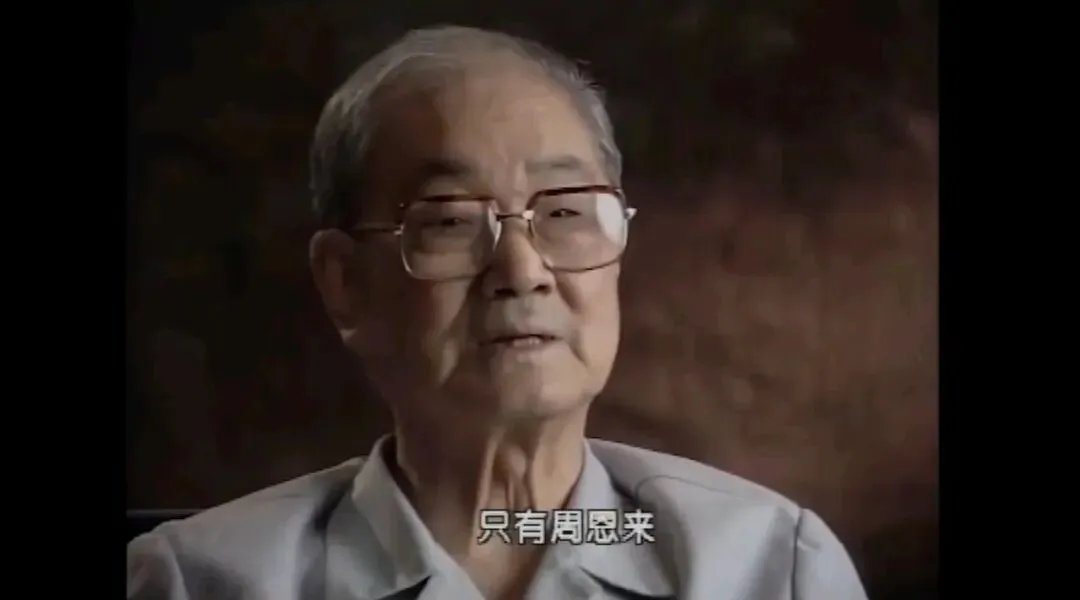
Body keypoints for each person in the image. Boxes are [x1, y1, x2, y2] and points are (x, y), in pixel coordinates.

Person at [127, 25, 868, 600]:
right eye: (451, 220)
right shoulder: (201, 581)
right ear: (345, 281)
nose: (522, 271)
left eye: (566, 211)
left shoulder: (770, 566)